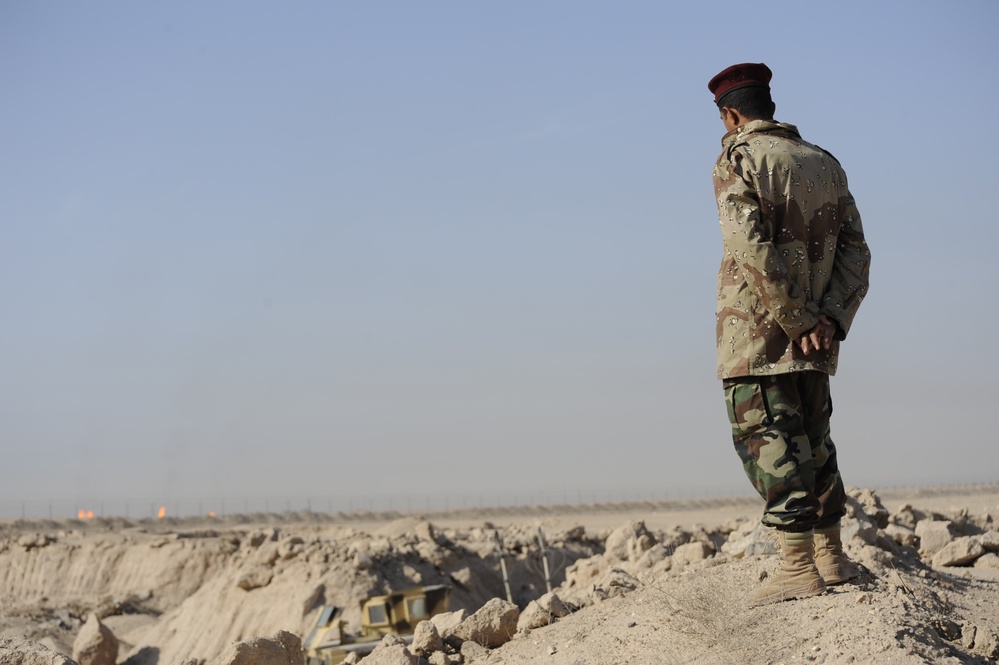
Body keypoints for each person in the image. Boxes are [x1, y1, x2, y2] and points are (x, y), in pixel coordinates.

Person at [707, 63, 871, 605]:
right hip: (816, 339)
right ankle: (832, 557)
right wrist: (830, 319)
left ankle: (798, 568)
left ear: (731, 115)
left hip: (761, 337)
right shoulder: (824, 162)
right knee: (815, 442)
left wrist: (796, 319)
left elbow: (749, 248)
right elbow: (856, 252)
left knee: (770, 442)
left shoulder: (740, 158)